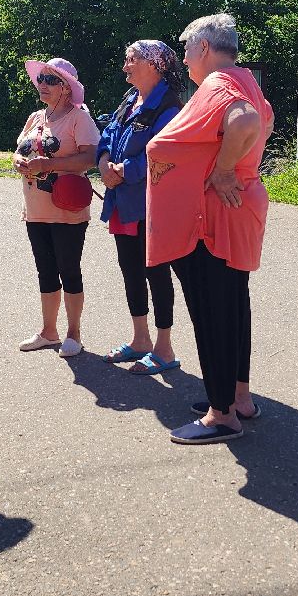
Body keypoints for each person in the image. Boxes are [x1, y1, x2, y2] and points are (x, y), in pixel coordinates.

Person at [145, 14, 273, 444]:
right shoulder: (245, 79)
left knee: (213, 311)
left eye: (186, 50)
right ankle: (238, 398)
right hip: (239, 209)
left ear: (203, 48)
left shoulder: (219, 84)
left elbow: (246, 122)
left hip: (215, 215)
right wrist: (235, 164)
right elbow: (263, 120)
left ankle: (221, 415)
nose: (183, 60)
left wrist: (222, 170)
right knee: (233, 306)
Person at [96, 41, 185, 375]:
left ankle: (165, 349)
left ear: (153, 65)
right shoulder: (131, 99)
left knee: (156, 273)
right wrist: (104, 162)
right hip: (123, 201)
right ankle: (140, 340)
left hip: (152, 204)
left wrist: (125, 171)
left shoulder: (169, 105)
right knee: (130, 270)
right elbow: (109, 134)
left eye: (130, 59)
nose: (125, 66)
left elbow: (166, 154)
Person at [13, 57, 100, 357]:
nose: (43, 84)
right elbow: (18, 150)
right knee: (46, 271)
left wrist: (49, 165)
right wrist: (18, 161)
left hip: (67, 209)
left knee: (69, 270)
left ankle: (73, 334)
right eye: (41, 79)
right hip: (35, 208)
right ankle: (49, 331)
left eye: (51, 80)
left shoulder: (79, 118)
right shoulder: (35, 117)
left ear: (67, 88)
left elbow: (91, 158)